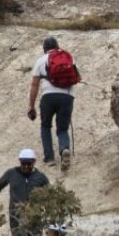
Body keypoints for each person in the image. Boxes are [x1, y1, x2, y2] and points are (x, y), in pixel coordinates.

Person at [27, 37, 77, 169]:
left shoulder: (40, 61)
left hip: (48, 97)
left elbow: (34, 85)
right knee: (62, 129)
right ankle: (64, 149)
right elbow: (76, 77)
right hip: (67, 97)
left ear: (44, 49)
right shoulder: (69, 58)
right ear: (57, 46)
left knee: (45, 126)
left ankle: (49, 158)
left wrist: (31, 106)